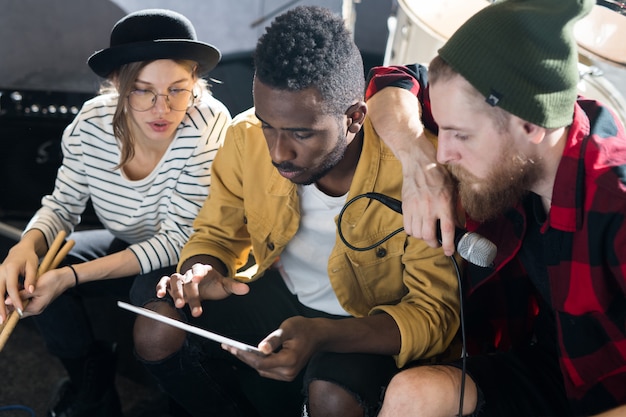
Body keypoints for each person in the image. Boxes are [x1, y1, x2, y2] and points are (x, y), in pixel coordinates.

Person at [131, 6, 461, 417]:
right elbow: (217, 232)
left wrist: (324, 334)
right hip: (282, 298)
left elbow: (434, 316)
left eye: (301, 133)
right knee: (156, 327)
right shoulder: (245, 136)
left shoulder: (414, 175)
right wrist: (203, 268)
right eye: (268, 124)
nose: (277, 152)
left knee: (332, 397)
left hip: (366, 325)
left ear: (354, 118)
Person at [364, 0, 626, 415]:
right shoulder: (504, 124)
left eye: (459, 136)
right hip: (549, 369)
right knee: (411, 395)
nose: (444, 153)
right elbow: (392, 81)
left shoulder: (617, 204)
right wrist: (418, 163)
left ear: (531, 126)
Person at [0, 9, 230, 417]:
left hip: (186, 253)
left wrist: (69, 276)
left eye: (178, 89)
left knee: (148, 293)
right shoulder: (91, 123)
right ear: (117, 84)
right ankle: (91, 381)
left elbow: (178, 237)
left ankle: (179, 402)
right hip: (127, 239)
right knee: (28, 270)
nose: (162, 108)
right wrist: (27, 246)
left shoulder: (208, 124)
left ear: (195, 78)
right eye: (143, 91)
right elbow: (62, 204)